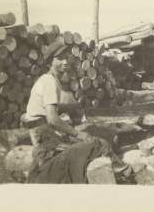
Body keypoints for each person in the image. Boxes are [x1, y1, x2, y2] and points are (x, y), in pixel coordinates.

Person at [24, 42, 130, 184]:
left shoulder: (47, 79)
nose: (65, 62)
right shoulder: (50, 82)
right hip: (44, 135)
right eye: (60, 59)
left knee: (91, 143)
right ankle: (124, 172)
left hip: (42, 131)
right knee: (97, 143)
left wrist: (76, 105)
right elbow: (52, 119)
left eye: (66, 57)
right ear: (50, 62)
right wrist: (77, 134)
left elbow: (52, 107)